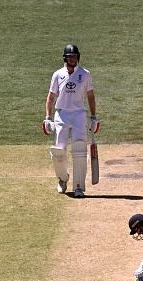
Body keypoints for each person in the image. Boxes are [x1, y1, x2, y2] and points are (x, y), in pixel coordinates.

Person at [42, 44, 100, 198]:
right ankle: (62, 179)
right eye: (70, 57)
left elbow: (91, 96)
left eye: (74, 57)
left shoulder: (85, 74)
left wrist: (94, 117)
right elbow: (50, 97)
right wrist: (47, 118)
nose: (72, 59)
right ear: (65, 58)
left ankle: (79, 186)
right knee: (58, 150)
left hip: (79, 115)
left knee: (80, 150)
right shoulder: (57, 75)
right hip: (61, 115)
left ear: (78, 58)